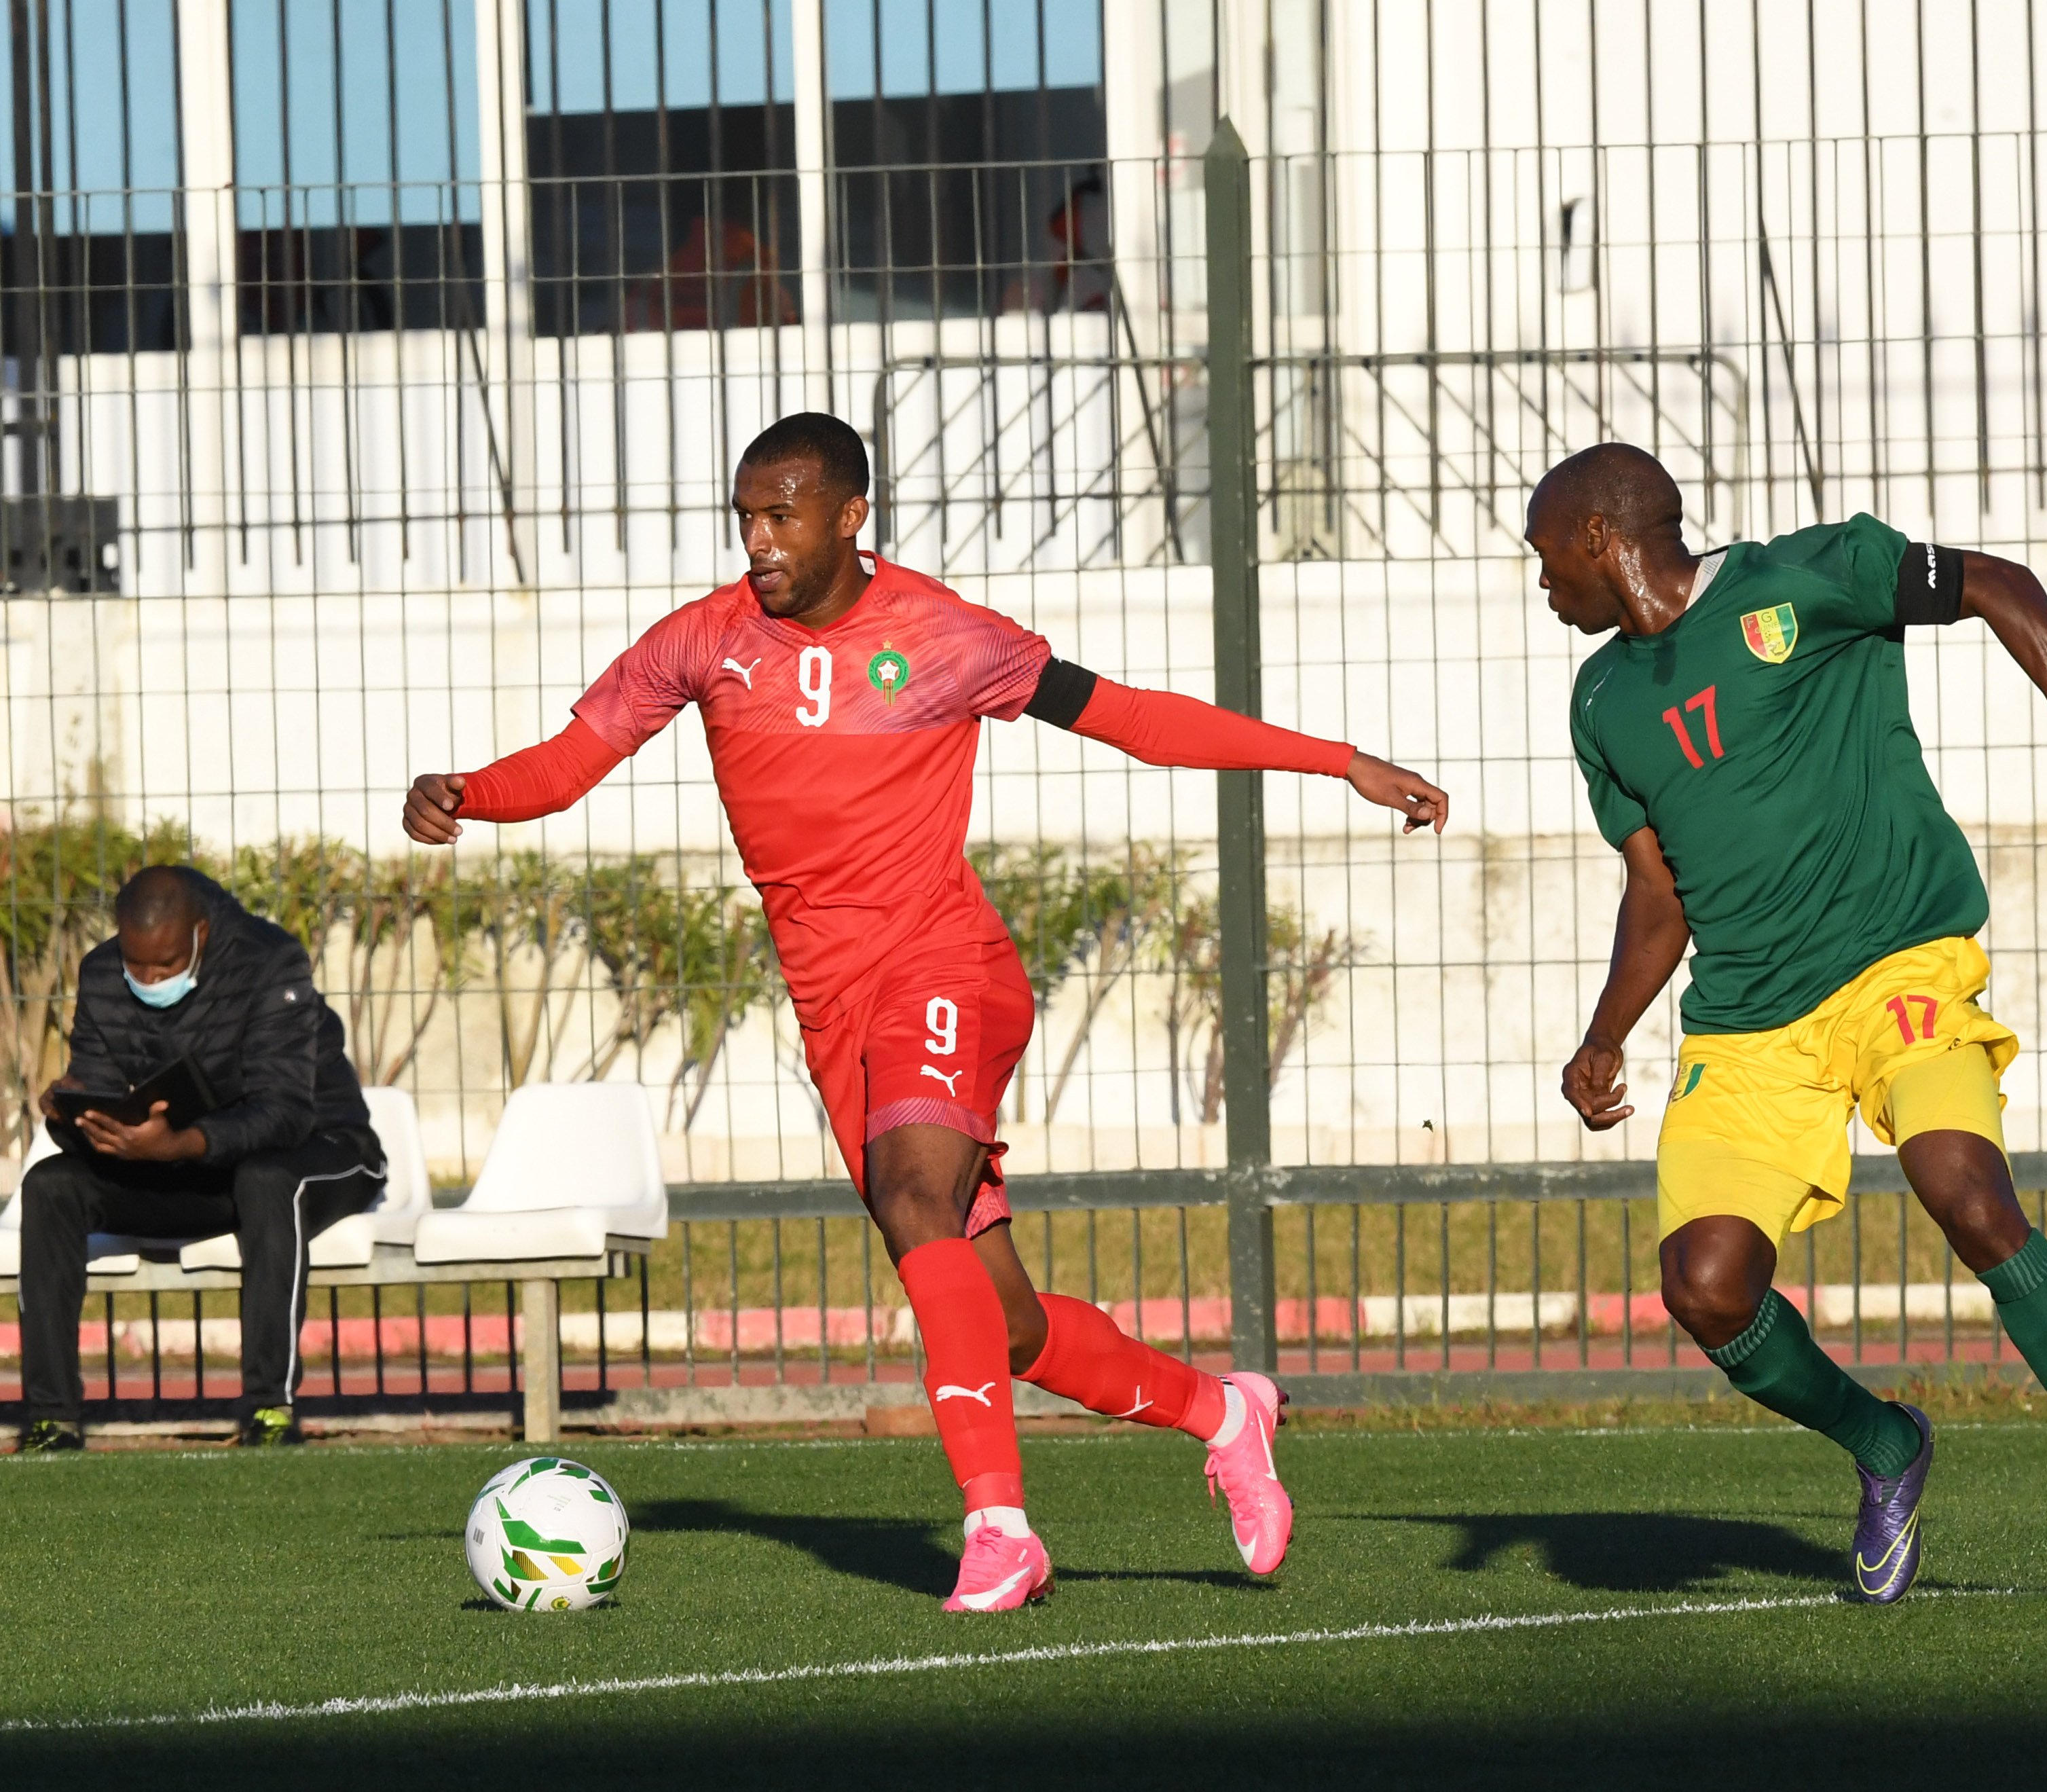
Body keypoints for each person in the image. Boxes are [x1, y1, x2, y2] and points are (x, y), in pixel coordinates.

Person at [405, 412, 1450, 1611]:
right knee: (999, 1322)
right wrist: (466, 792)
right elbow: (573, 756)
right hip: (832, 1005)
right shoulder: (704, 640)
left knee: (913, 1199)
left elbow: (1132, 716)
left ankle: (999, 1527)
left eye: (779, 515)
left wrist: (1333, 758)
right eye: (744, 516)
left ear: (851, 515)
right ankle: (1227, 1412)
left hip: (941, 960)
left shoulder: (946, 636)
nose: (757, 540)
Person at [1532, 442, 2047, 1603]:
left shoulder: (1804, 580)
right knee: (1704, 1284)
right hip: (1749, 1023)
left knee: (1966, 1190)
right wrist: (1604, 1033)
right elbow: (1658, 890)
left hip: (1896, 963)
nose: (1542, 581)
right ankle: (1885, 1441)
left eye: (1547, 554)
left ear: (1601, 537)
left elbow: (1999, 582)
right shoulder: (1600, 700)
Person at [16, 866, 386, 1453]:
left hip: (320, 1151)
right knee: (50, 1184)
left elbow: (286, 1112)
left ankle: (269, 1408)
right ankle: (49, 1417)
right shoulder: (102, 974)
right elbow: (108, 1089)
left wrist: (184, 1143)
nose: (148, 977)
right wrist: (78, 1116)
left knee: (267, 1179)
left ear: (202, 934)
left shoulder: (272, 962)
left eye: (164, 965)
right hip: (184, 1163)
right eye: (136, 964)